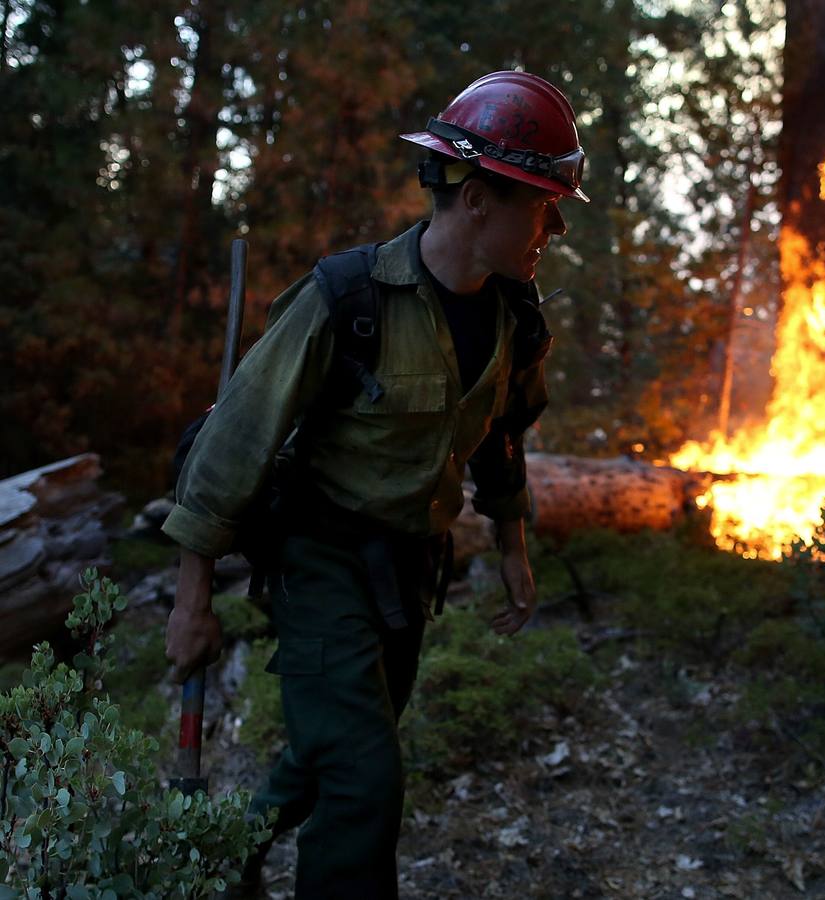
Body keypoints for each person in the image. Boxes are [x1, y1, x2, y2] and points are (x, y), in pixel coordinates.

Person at [162, 70, 588, 898]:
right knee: (364, 778)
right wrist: (190, 602)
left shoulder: (516, 317)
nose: (557, 226)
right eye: (543, 204)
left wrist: (512, 544)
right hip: (318, 560)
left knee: (333, 751)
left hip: (410, 569)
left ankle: (219, 860)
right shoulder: (346, 299)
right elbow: (229, 447)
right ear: (477, 199)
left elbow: (503, 431)